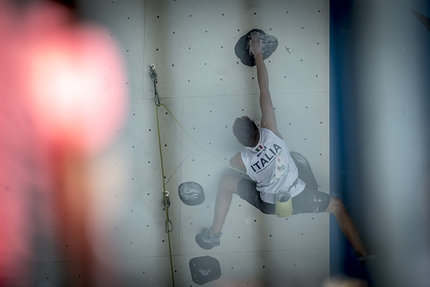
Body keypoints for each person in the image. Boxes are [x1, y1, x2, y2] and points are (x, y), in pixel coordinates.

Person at [195, 33, 374, 264]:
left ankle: (214, 235)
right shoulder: (271, 129)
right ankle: (365, 255)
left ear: (240, 143)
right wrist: (258, 53)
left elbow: (233, 162)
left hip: (268, 205)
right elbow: (264, 87)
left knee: (226, 183)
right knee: (337, 206)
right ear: (256, 123)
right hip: (298, 199)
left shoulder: (240, 160)